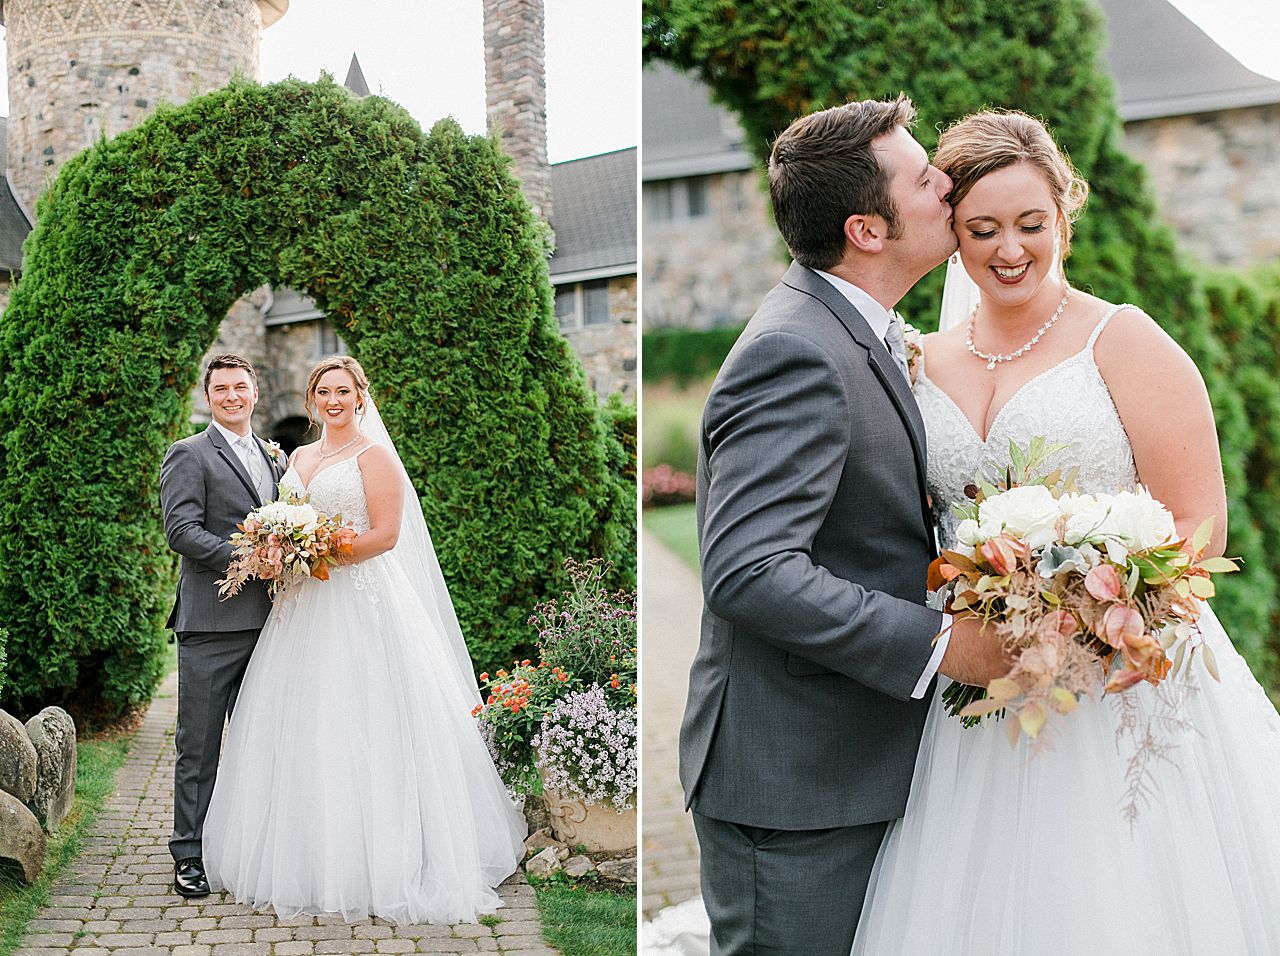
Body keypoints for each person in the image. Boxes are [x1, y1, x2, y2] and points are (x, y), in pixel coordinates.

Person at [850, 110, 1280, 954]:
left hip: (1127, 681)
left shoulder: (1124, 341)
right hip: (985, 683)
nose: (1009, 249)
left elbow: (1198, 521)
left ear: (1065, 217)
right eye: (983, 229)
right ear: (954, 235)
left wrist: (1092, 612)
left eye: (1030, 224)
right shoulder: (914, 358)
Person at [679, 95, 1009, 954]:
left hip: (855, 764)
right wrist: (944, 645)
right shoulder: (796, 350)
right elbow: (751, 571)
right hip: (793, 787)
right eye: (925, 176)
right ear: (867, 229)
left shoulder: (854, 330)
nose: (948, 184)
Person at [201, 355, 526, 924]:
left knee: (369, 721)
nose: (333, 400)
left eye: (343, 392)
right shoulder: (297, 457)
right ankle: (311, 855)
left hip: (364, 601)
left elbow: (386, 536)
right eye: (323, 391)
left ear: (359, 397)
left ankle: (388, 858)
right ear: (312, 400)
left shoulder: (376, 458)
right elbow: (285, 515)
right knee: (306, 726)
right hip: (302, 609)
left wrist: (319, 550)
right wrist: (282, 549)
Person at [161, 353, 287, 898]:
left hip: (274, 626)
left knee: (266, 742)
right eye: (221, 389)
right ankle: (188, 855)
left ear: (255, 393)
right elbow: (181, 530)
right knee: (200, 745)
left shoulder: (274, 457)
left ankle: (252, 849)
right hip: (211, 625)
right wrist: (248, 559)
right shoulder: (188, 454)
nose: (232, 396)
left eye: (240, 386)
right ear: (208, 396)